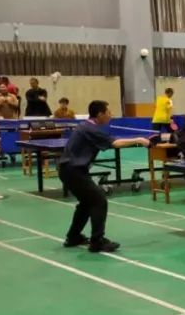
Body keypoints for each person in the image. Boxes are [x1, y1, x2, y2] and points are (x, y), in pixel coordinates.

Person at [58, 100, 151, 253]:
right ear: (100, 114)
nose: (110, 115)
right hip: (73, 171)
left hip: (69, 170)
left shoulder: (85, 126)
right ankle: (97, 242)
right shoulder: (90, 129)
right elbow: (115, 143)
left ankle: (73, 236)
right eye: (108, 112)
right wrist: (139, 140)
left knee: (86, 203)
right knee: (99, 201)